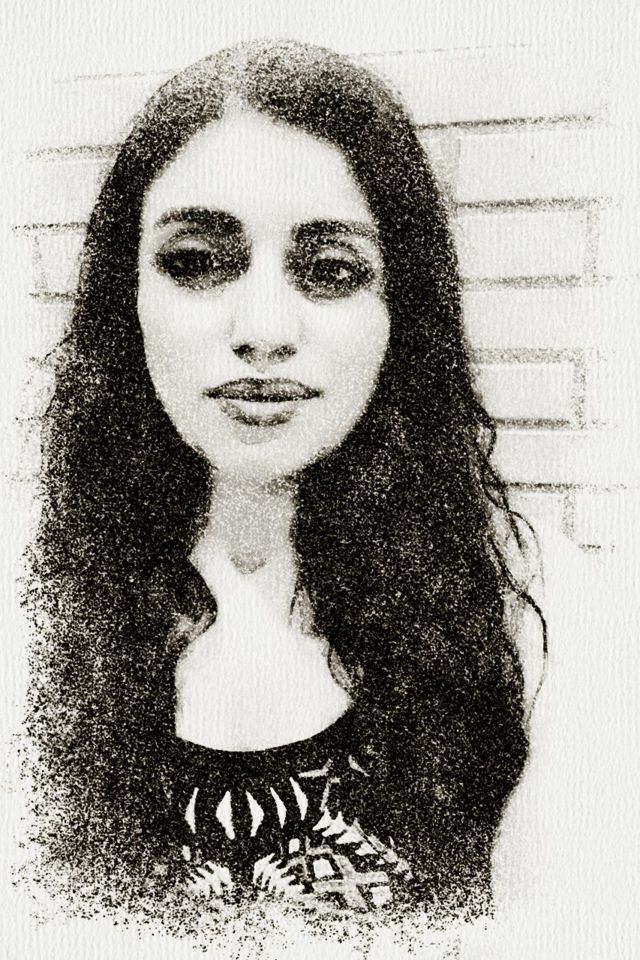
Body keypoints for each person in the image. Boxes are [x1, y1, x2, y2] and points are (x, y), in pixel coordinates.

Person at [22, 39, 544, 931]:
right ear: (126, 298)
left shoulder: (535, 617)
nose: (263, 328)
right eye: (196, 260)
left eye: (332, 270)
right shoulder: (24, 608)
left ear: (399, 312)